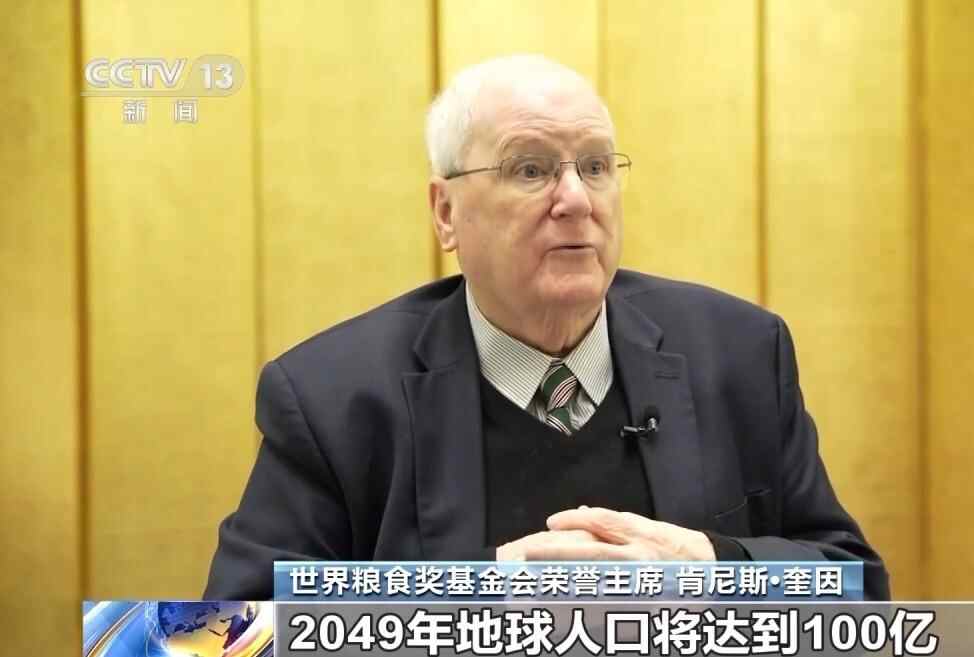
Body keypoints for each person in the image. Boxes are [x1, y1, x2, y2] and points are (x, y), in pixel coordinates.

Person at [204, 54, 889, 601]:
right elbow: (217, 637)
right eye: (530, 169)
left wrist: (713, 565)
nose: (576, 200)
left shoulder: (740, 353)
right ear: (445, 213)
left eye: (595, 166)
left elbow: (857, 589)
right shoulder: (333, 398)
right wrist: (479, 592)